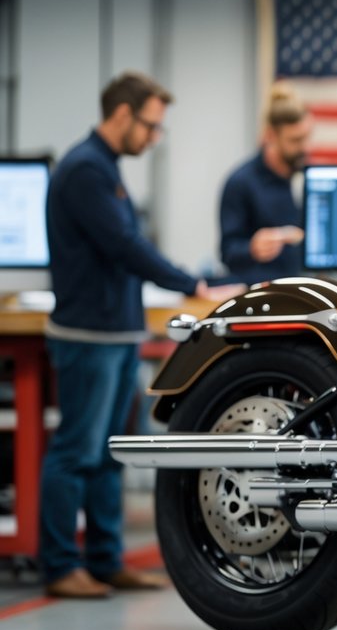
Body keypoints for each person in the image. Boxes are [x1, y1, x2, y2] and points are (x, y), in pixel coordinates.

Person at [40, 71, 241, 598]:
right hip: (88, 336)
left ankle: (106, 562)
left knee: (109, 454)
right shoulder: (85, 169)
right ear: (123, 114)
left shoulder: (104, 167)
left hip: (116, 334)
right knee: (75, 451)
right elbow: (124, 245)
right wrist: (192, 284)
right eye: (151, 126)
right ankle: (60, 567)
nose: (154, 138)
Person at [217, 82, 312, 284]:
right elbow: (228, 253)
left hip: (306, 290)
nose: (304, 147)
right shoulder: (241, 182)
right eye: (295, 140)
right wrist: (252, 248)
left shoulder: (310, 178)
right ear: (271, 135)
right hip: (263, 294)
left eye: (306, 138)